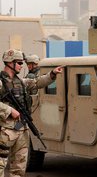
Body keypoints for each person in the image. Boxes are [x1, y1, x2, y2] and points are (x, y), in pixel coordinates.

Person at [0, 49, 63, 177]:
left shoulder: (21, 82)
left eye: (22, 63)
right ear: (9, 63)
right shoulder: (1, 83)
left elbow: (38, 82)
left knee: (19, 167)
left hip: (21, 128)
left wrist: (52, 74)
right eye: (19, 63)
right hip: (5, 130)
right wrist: (9, 110)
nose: (22, 65)